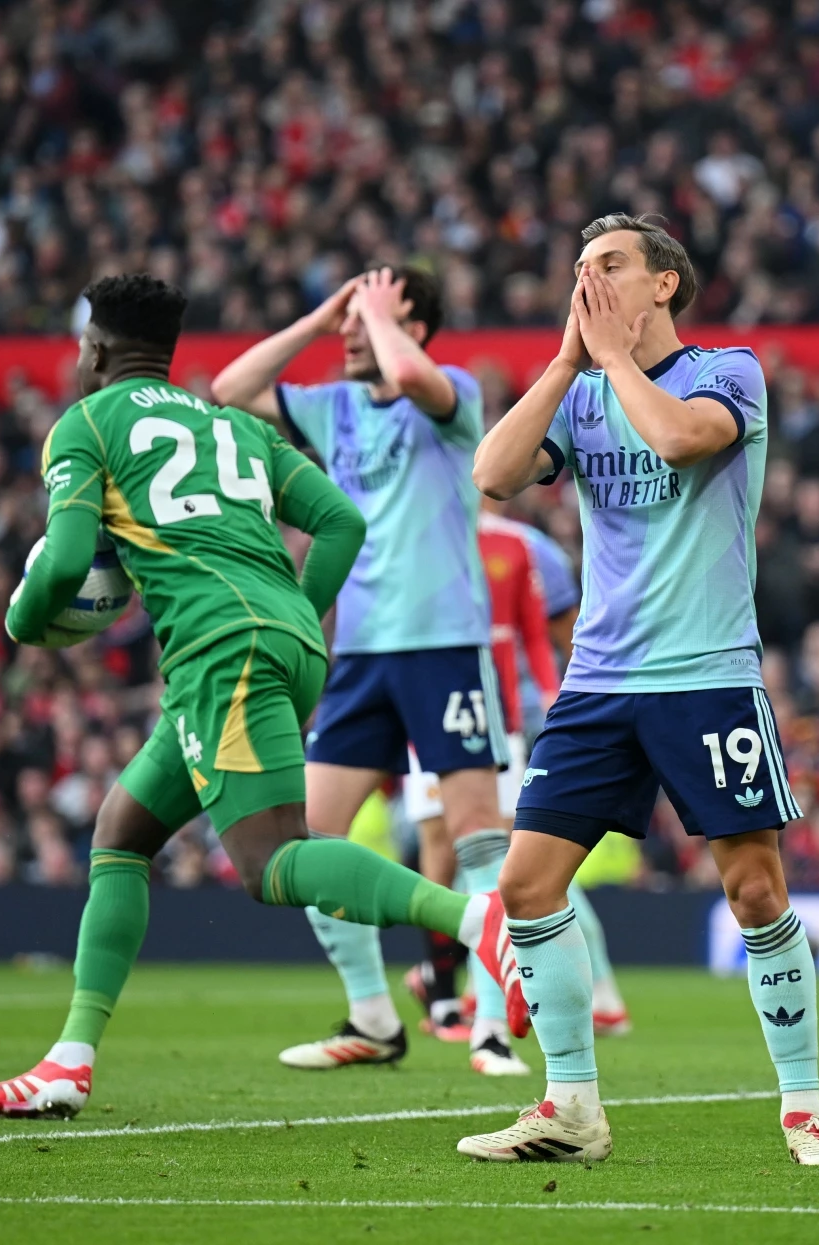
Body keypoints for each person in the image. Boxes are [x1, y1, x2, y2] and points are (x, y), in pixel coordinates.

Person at [0, 274, 509, 1118]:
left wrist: (25, 620)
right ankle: (70, 1059)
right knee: (122, 831)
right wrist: (297, 611)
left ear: (96, 350)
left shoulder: (87, 424)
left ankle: (476, 920)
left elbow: (68, 559)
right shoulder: (231, 424)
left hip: (224, 649)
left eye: (82, 346)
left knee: (273, 862)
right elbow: (342, 521)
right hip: (280, 641)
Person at [461, 214, 819, 1166]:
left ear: (664, 283)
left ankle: (804, 1108)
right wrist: (568, 363)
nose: (587, 281)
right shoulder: (583, 392)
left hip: (706, 676)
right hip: (597, 681)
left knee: (754, 890)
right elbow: (492, 474)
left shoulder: (728, 371)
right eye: (579, 268)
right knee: (525, 884)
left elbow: (679, 439)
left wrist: (609, 360)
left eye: (610, 265)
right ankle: (571, 1108)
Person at [212, 266, 523, 1075]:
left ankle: (491, 1025)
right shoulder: (336, 405)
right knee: (304, 840)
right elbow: (229, 389)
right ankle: (374, 1017)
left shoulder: (451, 394)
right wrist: (319, 320)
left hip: (444, 644)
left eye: (367, 317)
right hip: (357, 654)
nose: (351, 332)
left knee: (478, 836)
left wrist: (379, 318)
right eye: (349, 322)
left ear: (411, 324)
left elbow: (414, 376)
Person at [402, 507, 632, 1045]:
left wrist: (563, 699)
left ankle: (562, 990)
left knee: (514, 855)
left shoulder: (528, 549)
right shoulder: (422, 537)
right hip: (446, 711)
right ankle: (459, 984)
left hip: (515, 718)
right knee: (463, 853)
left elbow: (562, 634)